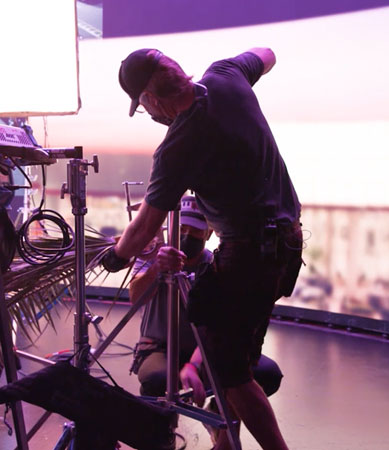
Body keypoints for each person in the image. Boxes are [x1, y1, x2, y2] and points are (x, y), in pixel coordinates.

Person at [101, 48, 303, 450]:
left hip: (248, 255)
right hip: (286, 247)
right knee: (226, 350)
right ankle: (225, 443)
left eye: (143, 107)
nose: (150, 114)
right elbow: (267, 54)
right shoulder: (227, 75)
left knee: (230, 373)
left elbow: (145, 225)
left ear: (152, 100)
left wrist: (116, 256)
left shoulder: (179, 144)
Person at [129, 196, 284, 445]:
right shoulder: (153, 257)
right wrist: (157, 269)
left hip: (208, 348)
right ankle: (160, 433)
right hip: (159, 346)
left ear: (209, 232)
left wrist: (193, 364)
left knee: (264, 373)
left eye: (196, 230)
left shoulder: (217, 265)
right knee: (156, 379)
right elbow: (134, 298)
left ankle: (224, 425)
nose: (187, 234)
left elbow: (223, 324)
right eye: (183, 228)